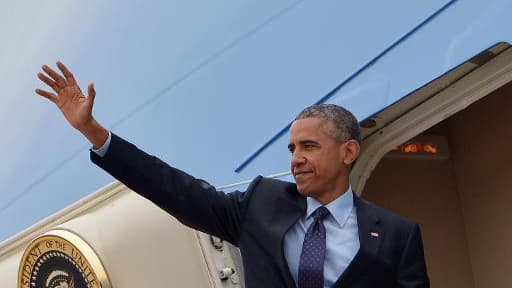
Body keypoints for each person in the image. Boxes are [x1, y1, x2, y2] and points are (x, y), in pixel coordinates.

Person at [36, 62, 430, 288]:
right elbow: (174, 189)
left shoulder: (397, 235)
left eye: (309, 147)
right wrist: (95, 133)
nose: (296, 159)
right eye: (292, 149)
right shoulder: (262, 204)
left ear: (348, 152)